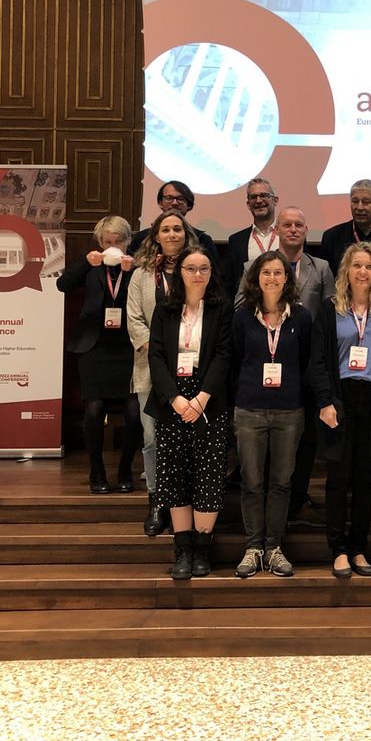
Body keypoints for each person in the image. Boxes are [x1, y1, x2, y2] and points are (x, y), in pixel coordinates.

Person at [308, 242, 371, 579]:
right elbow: (318, 361)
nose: (363, 272)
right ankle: (338, 548)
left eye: (370, 266)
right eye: (357, 265)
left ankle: (359, 546)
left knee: (366, 480)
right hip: (339, 400)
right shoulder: (330, 309)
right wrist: (324, 401)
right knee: (337, 479)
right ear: (346, 270)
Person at [145, 248, 232, 579]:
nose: (197, 274)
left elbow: (224, 355)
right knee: (174, 477)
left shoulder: (221, 309)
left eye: (204, 268)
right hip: (172, 404)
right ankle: (182, 550)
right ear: (179, 272)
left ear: (211, 273)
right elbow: (155, 356)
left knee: (207, 477)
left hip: (209, 403)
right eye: (190, 268)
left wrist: (201, 399)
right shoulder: (165, 309)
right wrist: (175, 400)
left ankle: (202, 552)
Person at [232, 251, 313, 580]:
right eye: (266, 272)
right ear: (256, 278)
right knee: (251, 482)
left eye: (278, 272)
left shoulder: (302, 317)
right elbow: (237, 359)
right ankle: (253, 548)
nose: (272, 278)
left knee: (281, 483)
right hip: (249, 408)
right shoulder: (242, 317)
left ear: (287, 278)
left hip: (289, 411)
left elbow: (305, 361)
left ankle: (274, 547)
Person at [260, 207, 336, 528]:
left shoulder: (321, 267)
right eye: (287, 224)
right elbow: (241, 305)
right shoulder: (260, 266)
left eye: (299, 225)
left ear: (306, 230)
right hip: (270, 361)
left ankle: (298, 496)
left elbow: (333, 309)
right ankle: (270, 496)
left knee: (306, 437)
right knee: (269, 434)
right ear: (276, 230)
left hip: (308, 361)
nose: (293, 229)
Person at [127, 211, 201, 536]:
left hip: (191, 370)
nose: (172, 234)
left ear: (186, 234)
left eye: (177, 229)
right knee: (151, 438)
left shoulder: (198, 269)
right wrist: (159, 354)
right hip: (150, 369)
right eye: (165, 229)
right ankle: (157, 502)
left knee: (187, 439)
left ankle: (183, 501)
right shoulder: (142, 274)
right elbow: (133, 319)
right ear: (156, 235)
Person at [58, 216, 140, 494]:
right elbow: (63, 284)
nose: (113, 246)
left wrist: (137, 269)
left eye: (119, 241)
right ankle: (97, 470)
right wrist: (85, 262)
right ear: (100, 243)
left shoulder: (136, 267)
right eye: (108, 241)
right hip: (95, 347)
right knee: (94, 409)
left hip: (129, 348)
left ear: (129, 242)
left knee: (133, 412)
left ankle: (126, 469)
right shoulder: (91, 266)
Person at [127, 179, 219, 262]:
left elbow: (215, 275)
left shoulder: (203, 240)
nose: (174, 203)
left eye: (180, 199)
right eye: (169, 198)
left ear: (189, 205)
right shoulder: (142, 238)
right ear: (160, 203)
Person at [224, 177, 279, 297]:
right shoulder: (236, 241)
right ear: (248, 205)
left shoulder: (288, 236)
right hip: (248, 309)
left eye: (264, 195)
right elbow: (230, 284)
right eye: (253, 197)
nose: (258, 201)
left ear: (275, 200)